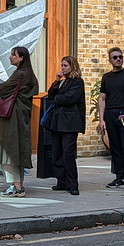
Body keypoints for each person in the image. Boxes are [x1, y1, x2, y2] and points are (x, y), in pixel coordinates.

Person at [0, 46, 39, 197]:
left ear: (21, 58)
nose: (10, 57)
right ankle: (18, 185)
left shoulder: (20, 74)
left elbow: (1, 89)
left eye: (13, 55)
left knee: (9, 150)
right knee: (16, 150)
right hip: (21, 117)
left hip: (12, 117)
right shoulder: (30, 75)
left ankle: (17, 187)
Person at [98, 47, 124, 192]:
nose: (118, 59)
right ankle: (120, 177)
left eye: (120, 57)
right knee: (115, 148)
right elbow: (102, 98)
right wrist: (101, 119)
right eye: (115, 57)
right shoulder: (106, 77)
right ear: (110, 60)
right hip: (110, 114)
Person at [43, 56, 86, 195]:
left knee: (68, 152)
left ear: (72, 66)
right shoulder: (62, 82)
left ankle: (73, 184)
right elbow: (50, 95)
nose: (63, 68)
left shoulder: (78, 82)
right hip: (57, 122)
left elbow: (70, 98)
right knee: (57, 152)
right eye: (62, 65)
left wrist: (57, 99)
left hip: (70, 123)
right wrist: (56, 81)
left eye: (66, 65)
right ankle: (62, 181)